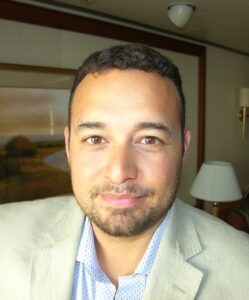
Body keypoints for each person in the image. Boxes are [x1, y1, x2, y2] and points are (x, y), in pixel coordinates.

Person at [0, 43, 248, 300]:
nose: (119, 172)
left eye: (149, 139)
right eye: (95, 139)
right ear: (68, 146)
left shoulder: (242, 274)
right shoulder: (4, 240)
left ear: (184, 147)